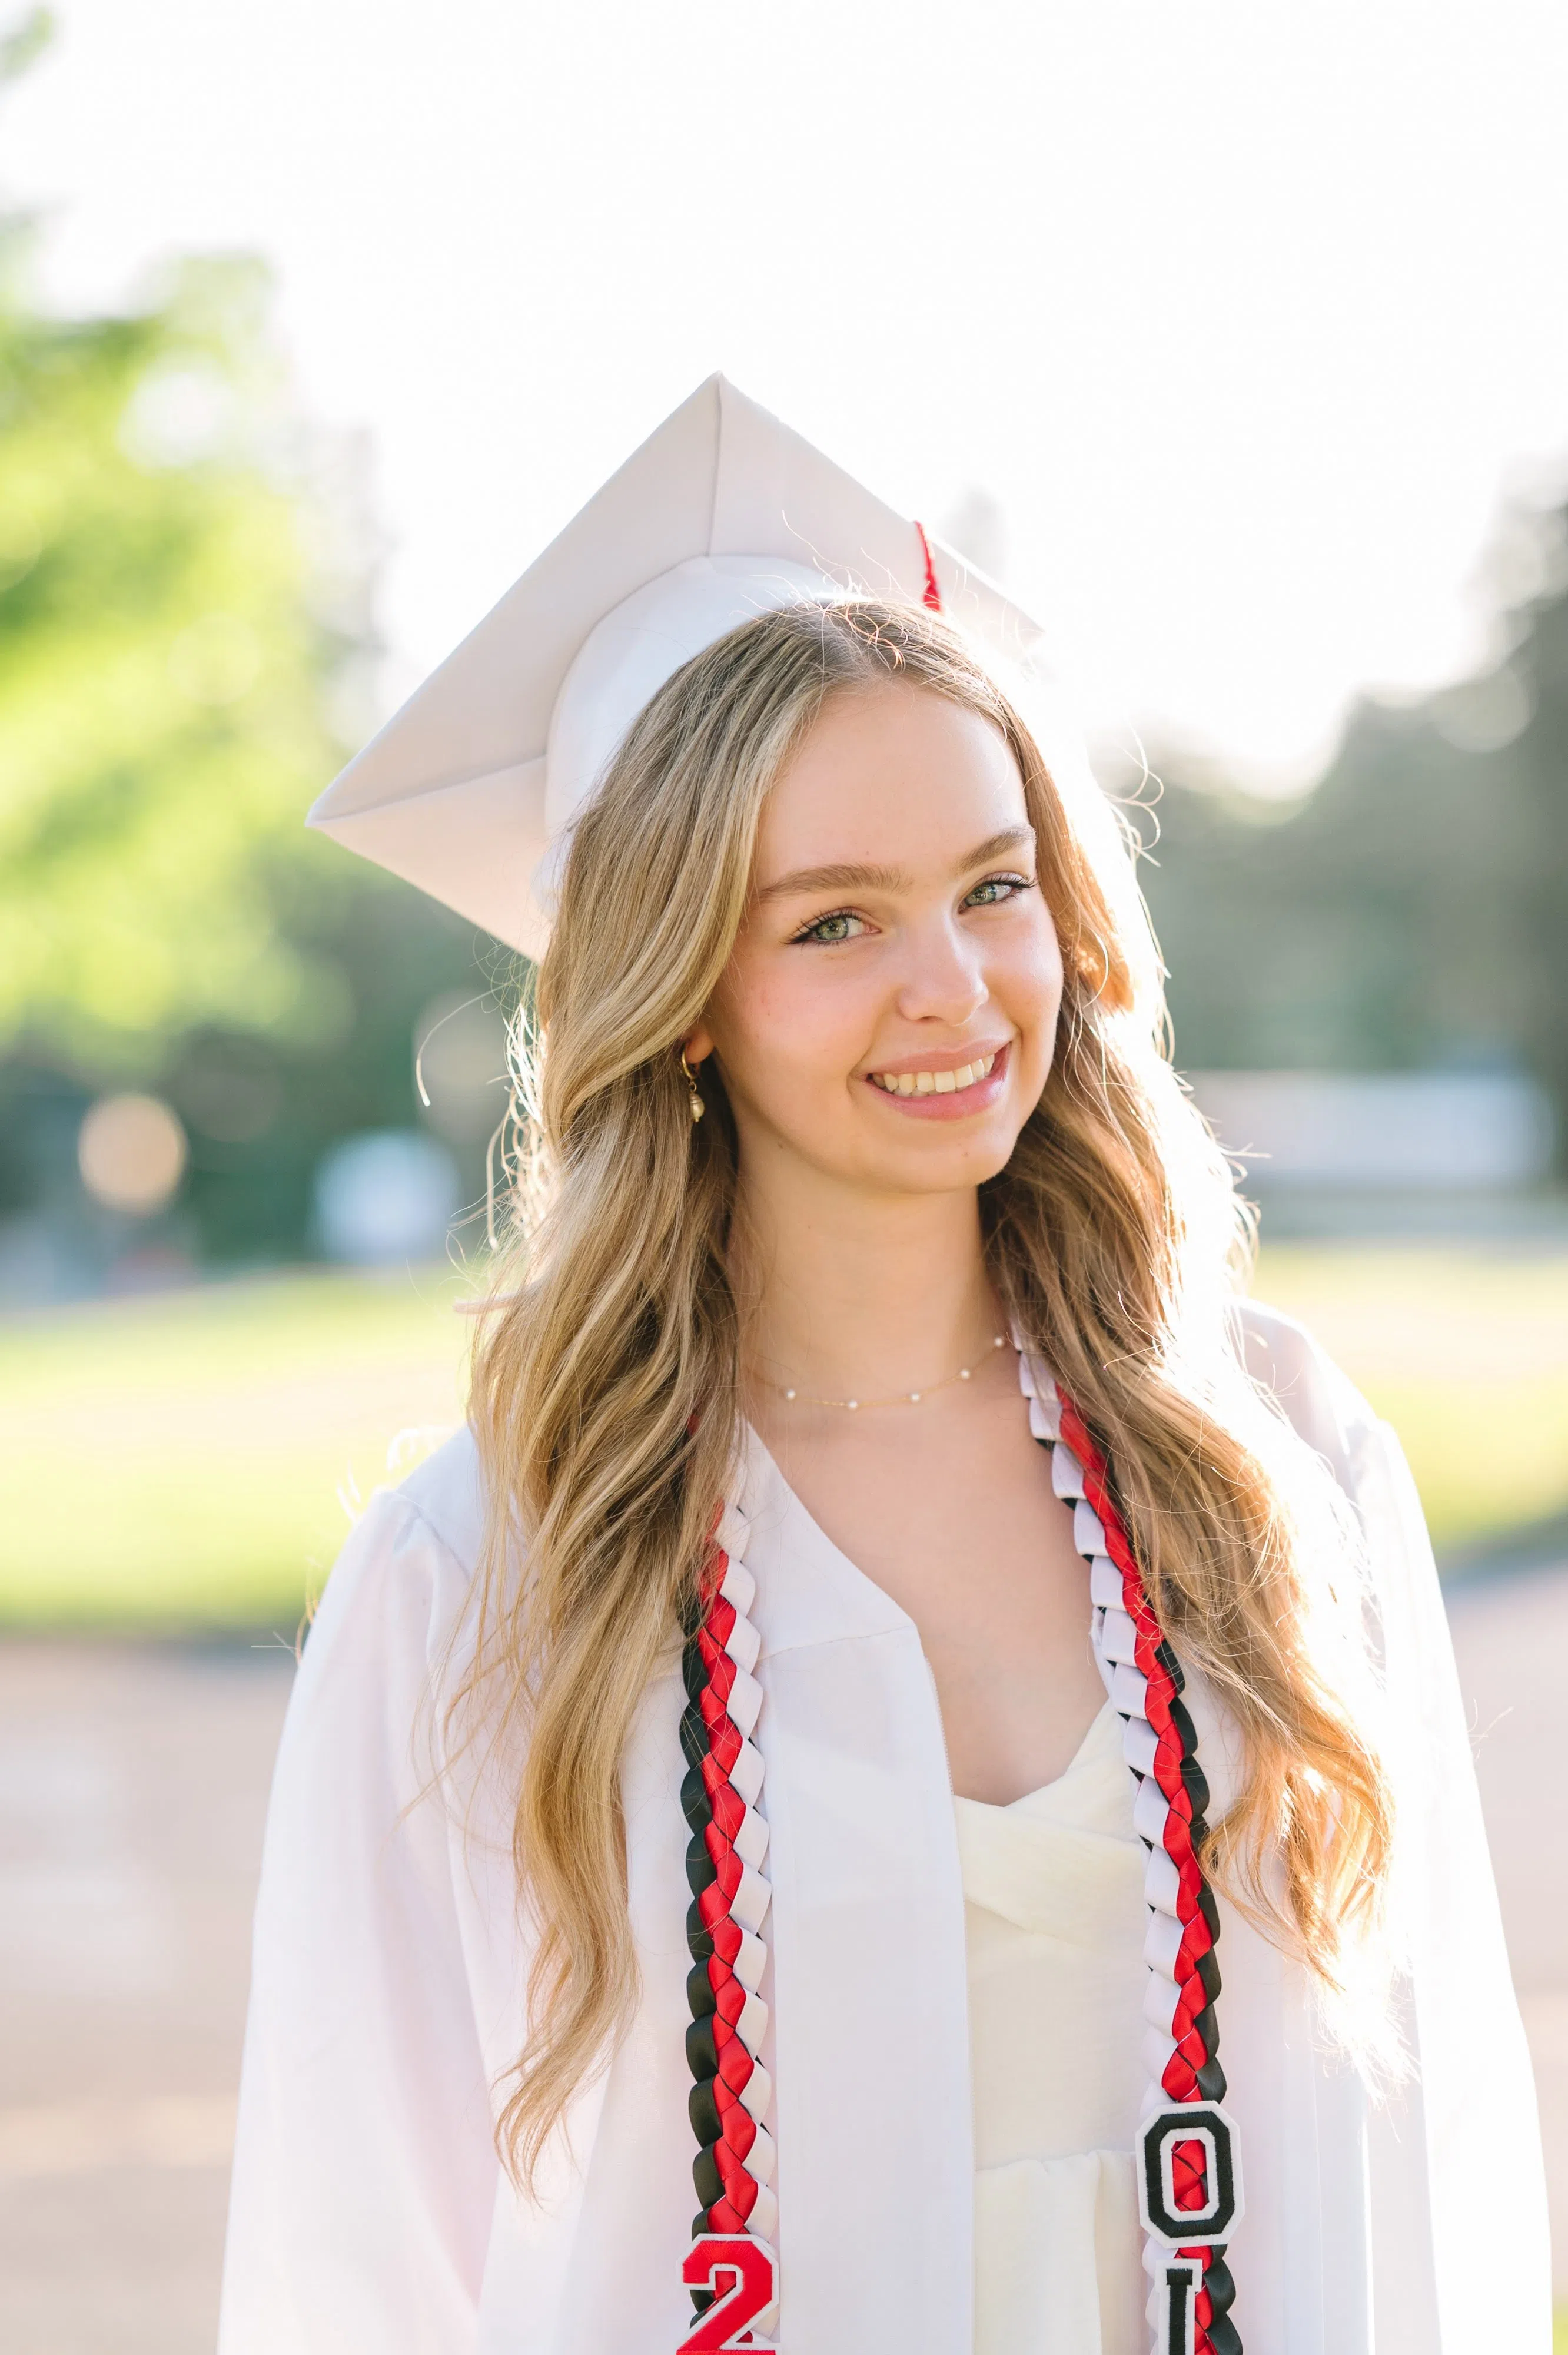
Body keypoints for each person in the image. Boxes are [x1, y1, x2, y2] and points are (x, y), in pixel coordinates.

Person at [218, 377, 1549, 2355]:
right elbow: (364, 2263)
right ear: (680, 995)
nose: (954, 990)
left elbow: (1432, 2152)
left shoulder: (1274, 1456)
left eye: (994, 887)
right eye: (835, 922)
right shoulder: (485, 1577)